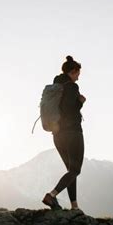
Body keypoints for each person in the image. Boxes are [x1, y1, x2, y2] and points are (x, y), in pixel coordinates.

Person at [42, 55, 86, 211]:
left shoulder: (56, 86)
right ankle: (52, 195)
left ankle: (74, 206)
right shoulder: (71, 87)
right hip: (72, 133)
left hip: (57, 135)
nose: (78, 78)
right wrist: (80, 102)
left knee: (71, 171)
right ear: (73, 71)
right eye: (78, 74)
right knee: (75, 170)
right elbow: (69, 110)